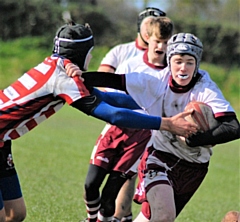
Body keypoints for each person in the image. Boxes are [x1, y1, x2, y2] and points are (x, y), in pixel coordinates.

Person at [0, 21, 197, 222]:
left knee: (15, 213)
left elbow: (108, 98)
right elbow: (114, 115)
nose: (92, 56)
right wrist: (165, 123)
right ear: (80, 52)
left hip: (2, 143)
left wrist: (159, 104)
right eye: (90, 51)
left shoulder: (56, 66)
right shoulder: (63, 79)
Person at [67, 33, 240, 222]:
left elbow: (233, 127)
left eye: (190, 62)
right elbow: (113, 80)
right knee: (164, 216)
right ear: (169, 60)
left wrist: (194, 138)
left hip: (195, 168)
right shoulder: (155, 81)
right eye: (178, 61)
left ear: (197, 64)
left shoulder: (205, 88)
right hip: (159, 159)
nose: (183, 68)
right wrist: (80, 76)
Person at [81, 16, 174, 222]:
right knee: (90, 184)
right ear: (147, 37)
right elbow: (112, 92)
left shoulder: (170, 73)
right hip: (115, 130)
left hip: (141, 139)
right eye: (158, 40)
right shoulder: (131, 64)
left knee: (110, 194)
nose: (161, 46)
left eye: (166, 42)